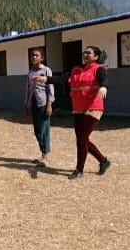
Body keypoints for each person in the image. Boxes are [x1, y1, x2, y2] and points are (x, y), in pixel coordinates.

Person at [34, 46, 111, 180]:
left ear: (96, 57)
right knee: (82, 139)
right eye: (84, 52)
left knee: (82, 138)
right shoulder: (76, 70)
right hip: (78, 109)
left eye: (89, 53)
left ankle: (79, 169)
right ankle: (103, 161)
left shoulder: (99, 69)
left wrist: (104, 87)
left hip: (93, 108)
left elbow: (103, 80)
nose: (85, 54)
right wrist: (45, 79)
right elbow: (61, 79)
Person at [24, 47, 54, 167]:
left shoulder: (46, 70)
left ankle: (46, 156)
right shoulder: (30, 72)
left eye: (37, 55)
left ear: (42, 58)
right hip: (34, 104)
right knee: (37, 130)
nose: (34, 57)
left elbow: (50, 88)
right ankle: (42, 154)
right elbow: (28, 89)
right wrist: (26, 104)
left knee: (44, 129)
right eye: (32, 55)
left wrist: (49, 104)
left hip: (43, 103)